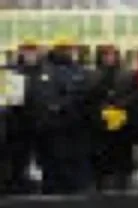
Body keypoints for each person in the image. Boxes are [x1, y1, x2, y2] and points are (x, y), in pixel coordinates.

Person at [26, 38, 94, 194]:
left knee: (76, 171)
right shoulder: (43, 70)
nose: (67, 52)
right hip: (50, 130)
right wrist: (54, 107)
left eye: (70, 48)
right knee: (52, 169)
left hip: (75, 129)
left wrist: (65, 105)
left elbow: (85, 94)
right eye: (63, 48)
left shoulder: (80, 71)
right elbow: (38, 95)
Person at [92, 44, 138, 192]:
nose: (109, 58)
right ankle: (103, 182)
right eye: (106, 55)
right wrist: (102, 108)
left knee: (123, 152)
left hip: (124, 120)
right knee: (103, 153)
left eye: (112, 55)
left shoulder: (127, 74)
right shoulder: (93, 75)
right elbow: (89, 97)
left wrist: (122, 105)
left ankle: (123, 181)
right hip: (101, 121)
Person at [3, 39, 42, 194]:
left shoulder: (44, 70)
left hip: (40, 123)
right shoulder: (11, 72)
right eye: (26, 50)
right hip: (17, 125)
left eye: (32, 50)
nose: (29, 54)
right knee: (18, 159)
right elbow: (7, 101)